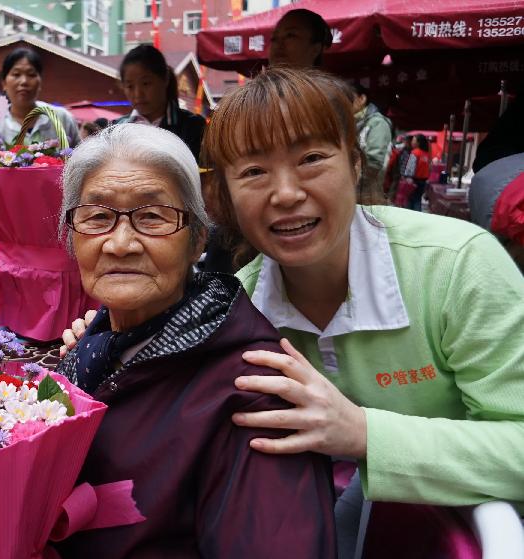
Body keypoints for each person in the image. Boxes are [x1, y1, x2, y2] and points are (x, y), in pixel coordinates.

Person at [64, 68, 524, 559]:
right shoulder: (238, 310)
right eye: (254, 171)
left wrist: (364, 432)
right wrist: (108, 347)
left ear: (354, 164)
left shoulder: (456, 265)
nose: (285, 194)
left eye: (310, 159)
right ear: (225, 198)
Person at [53, 123, 336, 558]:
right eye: (97, 217)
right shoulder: (90, 353)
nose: (121, 243)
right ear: (72, 235)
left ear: (197, 239)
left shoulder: (256, 392)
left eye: (152, 217)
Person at [115, 44, 206, 162]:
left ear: (165, 79)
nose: (138, 94)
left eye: (146, 83)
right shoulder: (117, 129)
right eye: (130, 86)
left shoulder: (192, 126)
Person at [0, 48, 79, 147]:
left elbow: (81, 161)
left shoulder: (62, 118)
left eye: (31, 74)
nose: (24, 81)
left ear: (40, 82)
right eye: (16, 74)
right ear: (4, 83)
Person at [351, 82, 392, 190]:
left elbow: (374, 162)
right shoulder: (355, 123)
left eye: (349, 98)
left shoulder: (377, 123)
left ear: (362, 99)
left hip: (366, 191)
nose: (344, 103)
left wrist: (349, 181)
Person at [401, 133, 431, 211]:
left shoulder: (415, 152)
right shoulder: (426, 154)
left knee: (411, 200)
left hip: (413, 180)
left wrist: (407, 177)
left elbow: (410, 167)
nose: (412, 142)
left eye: (414, 140)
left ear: (418, 143)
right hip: (423, 181)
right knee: (418, 200)